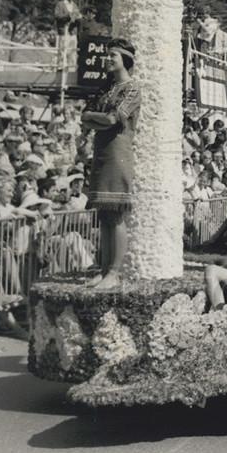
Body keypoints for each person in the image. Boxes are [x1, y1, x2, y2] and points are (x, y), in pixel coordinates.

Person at [80, 38, 141, 290]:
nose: (107, 59)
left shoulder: (132, 88)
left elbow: (113, 119)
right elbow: (88, 118)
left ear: (125, 59)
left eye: (112, 55)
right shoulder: (106, 89)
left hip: (118, 154)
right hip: (102, 152)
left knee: (115, 215)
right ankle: (104, 269)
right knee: (104, 215)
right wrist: (97, 119)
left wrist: (94, 118)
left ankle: (114, 272)